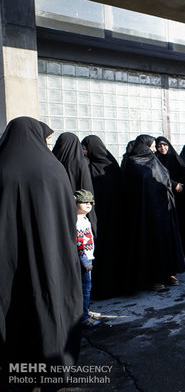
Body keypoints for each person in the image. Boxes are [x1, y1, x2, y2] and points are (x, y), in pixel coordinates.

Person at [0, 117, 82, 383]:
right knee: (50, 303)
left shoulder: (1, 167)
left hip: (7, 261)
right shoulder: (53, 169)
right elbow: (67, 218)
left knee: (13, 308)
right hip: (51, 257)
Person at [122, 135, 185, 292]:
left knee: (166, 241)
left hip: (163, 209)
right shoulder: (132, 163)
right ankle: (154, 277)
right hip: (147, 211)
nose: (153, 149)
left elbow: (163, 177)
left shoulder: (153, 160)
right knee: (151, 243)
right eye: (151, 146)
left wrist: (172, 185)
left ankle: (168, 273)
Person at [81, 134, 126, 299]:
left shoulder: (96, 167)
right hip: (108, 218)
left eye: (85, 148)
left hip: (106, 218)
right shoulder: (107, 165)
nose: (84, 152)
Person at [53, 131, 98, 234]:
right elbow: (87, 191)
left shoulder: (53, 163)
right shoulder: (80, 163)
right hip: (77, 212)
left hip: (58, 211)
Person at [74, 189, 100, 328]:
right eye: (84, 202)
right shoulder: (77, 222)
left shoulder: (85, 219)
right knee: (85, 288)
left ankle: (86, 311)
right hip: (84, 261)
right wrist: (85, 261)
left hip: (89, 258)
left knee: (86, 288)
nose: (89, 205)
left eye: (91, 202)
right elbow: (79, 244)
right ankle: (83, 317)